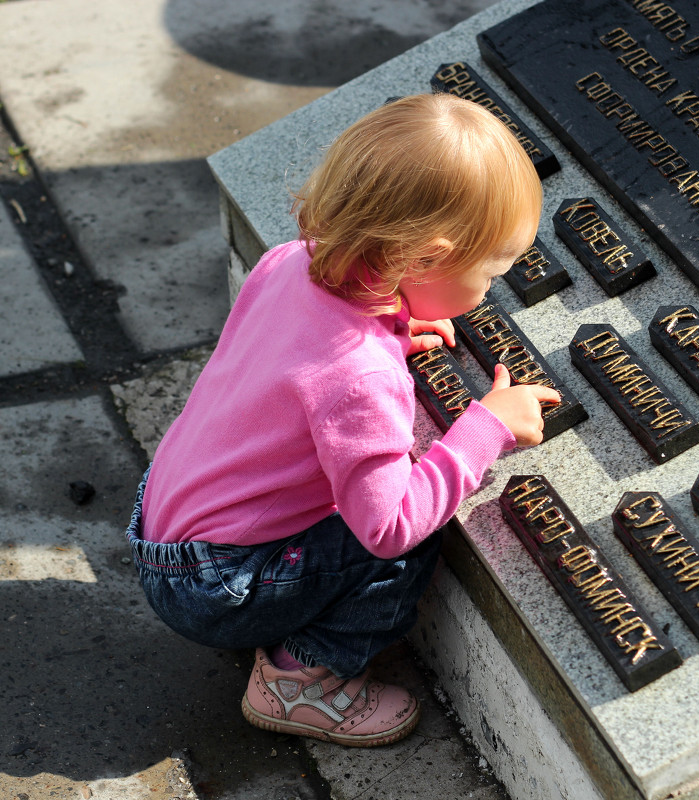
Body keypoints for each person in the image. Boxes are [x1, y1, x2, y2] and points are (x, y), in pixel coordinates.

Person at [125, 93, 559, 747]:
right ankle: (303, 680)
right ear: (424, 261)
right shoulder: (365, 378)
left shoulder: (289, 263)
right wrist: (484, 428)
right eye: (491, 272)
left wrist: (395, 321)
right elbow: (387, 527)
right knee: (418, 525)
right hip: (217, 587)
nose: (491, 289)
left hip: (162, 532)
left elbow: (299, 369)